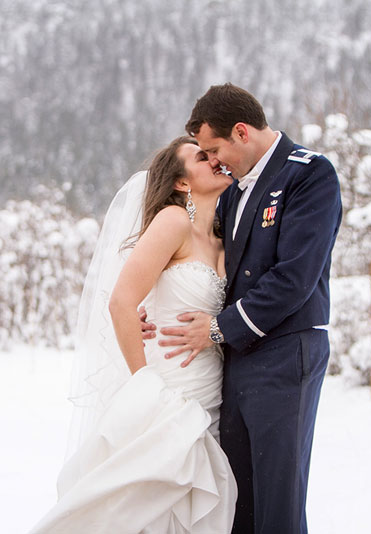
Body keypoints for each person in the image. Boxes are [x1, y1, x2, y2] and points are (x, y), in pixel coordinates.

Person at [152, 83, 342, 533]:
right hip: (235, 364)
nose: (214, 161)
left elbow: (295, 278)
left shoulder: (308, 174)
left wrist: (218, 328)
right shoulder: (234, 193)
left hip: (284, 355)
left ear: (241, 132)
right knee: (238, 504)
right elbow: (187, 258)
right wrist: (150, 303)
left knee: (278, 502)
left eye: (214, 149)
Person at [29, 136, 237, 534]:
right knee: (146, 505)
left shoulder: (222, 239)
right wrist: (146, 387)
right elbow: (122, 302)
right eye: (201, 156)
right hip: (168, 394)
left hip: (211, 392)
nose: (215, 160)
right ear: (181, 183)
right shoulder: (173, 221)